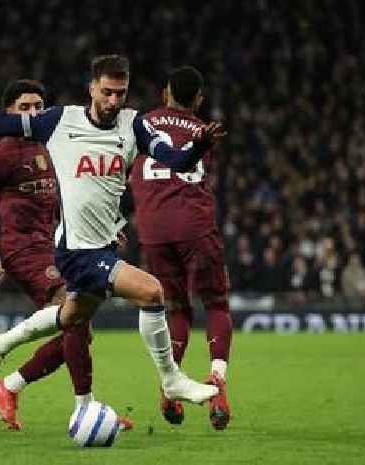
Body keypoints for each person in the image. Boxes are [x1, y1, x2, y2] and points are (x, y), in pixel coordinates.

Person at [0, 40, 228, 424]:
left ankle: (0, 345)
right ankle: (170, 379)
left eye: (120, 93)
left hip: (104, 245)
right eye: (107, 92)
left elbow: (175, 160)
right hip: (76, 251)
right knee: (151, 291)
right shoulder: (59, 121)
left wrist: (198, 146)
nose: (113, 101)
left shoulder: (134, 125)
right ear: (92, 87)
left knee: (73, 316)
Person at [0, 78, 96, 431]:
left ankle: (10, 386)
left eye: (38, 106)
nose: (33, 113)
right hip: (21, 247)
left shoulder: (56, 145)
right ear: (9, 113)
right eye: (24, 108)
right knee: (72, 311)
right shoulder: (0, 155)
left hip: (56, 246)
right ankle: (85, 409)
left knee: (78, 326)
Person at [128, 66, 232, 430]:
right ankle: (216, 385)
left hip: (153, 229)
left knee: (176, 309)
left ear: (164, 93)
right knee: (216, 303)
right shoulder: (205, 131)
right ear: (198, 99)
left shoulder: (139, 125)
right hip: (194, 227)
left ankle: (169, 387)